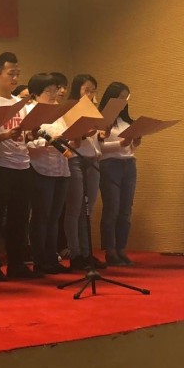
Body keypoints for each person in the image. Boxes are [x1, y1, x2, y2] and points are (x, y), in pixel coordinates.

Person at [0, 53, 41, 281]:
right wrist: (6, 135)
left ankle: (17, 264)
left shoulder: (20, 103)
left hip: (22, 163)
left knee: (20, 217)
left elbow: (24, 135)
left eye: (17, 74)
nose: (15, 78)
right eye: (10, 73)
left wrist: (30, 133)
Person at [25, 73, 71, 275]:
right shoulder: (29, 111)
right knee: (41, 216)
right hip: (40, 168)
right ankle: (39, 259)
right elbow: (26, 143)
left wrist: (70, 138)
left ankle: (52, 257)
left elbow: (66, 136)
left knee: (55, 216)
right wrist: (48, 142)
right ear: (35, 93)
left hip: (61, 168)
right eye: (48, 91)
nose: (54, 94)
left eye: (55, 90)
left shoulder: (58, 112)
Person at [63, 74, 107, 271]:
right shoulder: (69, 109)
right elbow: (69, 139)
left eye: (93, 90)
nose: (90, 94)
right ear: (77, 90)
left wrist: (101, 135)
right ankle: (75, 254)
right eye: (86, 90)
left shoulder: (94, 110)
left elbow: (95, 142)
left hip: (92, 160)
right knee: (74, 209)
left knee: (87, 210)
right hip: (75, 159)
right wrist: (82, 133)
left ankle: (87, 252)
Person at [98, 82, 140, 266]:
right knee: (112, 208)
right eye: (121, 97)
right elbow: (97, 147)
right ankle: (110, 251)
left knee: (126, 209)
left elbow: (130, 148)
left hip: (128, 164)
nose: (124, 101)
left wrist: (135, 142)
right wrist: (119, 144)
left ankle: (121, 248)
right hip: (109, 165)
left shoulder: (126, 120)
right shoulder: (101, 119)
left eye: (126, 98)